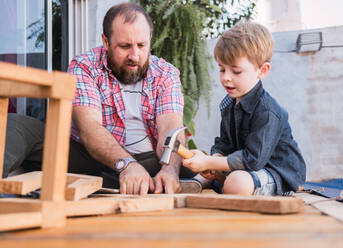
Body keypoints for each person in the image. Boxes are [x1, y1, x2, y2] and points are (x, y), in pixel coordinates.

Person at [2, 2, 196, 195]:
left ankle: (134, 182)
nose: (135, 55)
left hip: (148, 162)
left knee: (192, 166)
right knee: (14, 125)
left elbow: (171, 132)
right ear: (106, 41)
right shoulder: (84, 66)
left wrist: (170, 170)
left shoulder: (166, 73)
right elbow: (90, 128)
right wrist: (126, 165)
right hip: (89, 157)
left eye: (141, 45)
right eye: (125, 46)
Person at [183, 21, 306, 196]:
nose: (226, 78)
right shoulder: (229, 104)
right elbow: (225, 143)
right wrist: (212, 161)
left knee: (237, 183)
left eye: (236, 71)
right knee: (211, 173)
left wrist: (210, 161)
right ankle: (197, 183)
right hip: (244, 168)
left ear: (262, 71)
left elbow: (252, 160)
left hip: (275, 172)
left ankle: (220, 184)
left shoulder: (268, 111)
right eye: (221, 69)